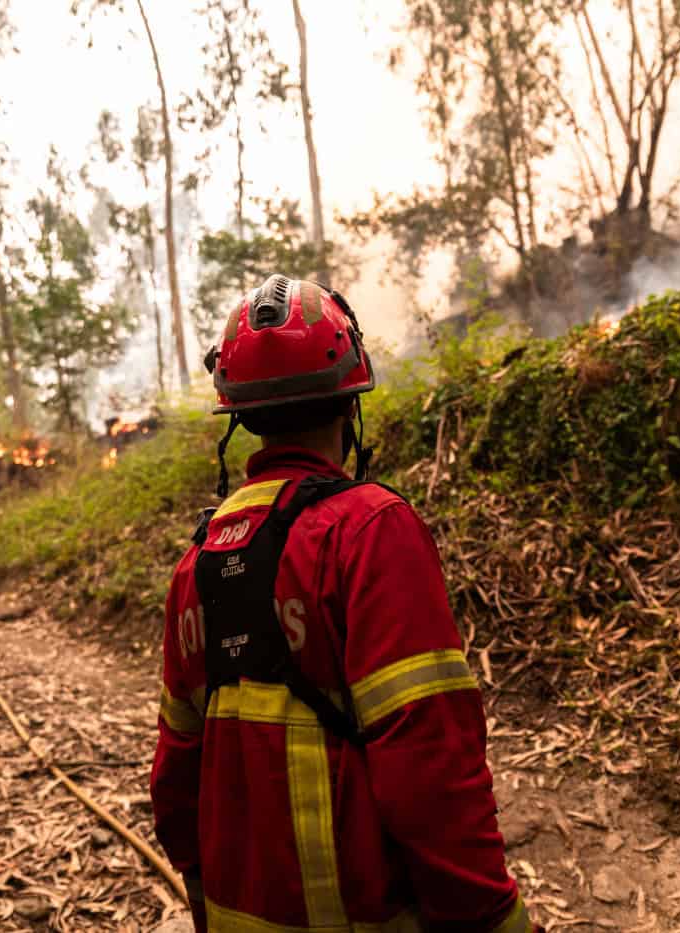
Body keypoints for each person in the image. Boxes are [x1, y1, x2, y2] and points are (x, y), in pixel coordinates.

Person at [151, 275, 536, 932]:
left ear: (239, 416)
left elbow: (175, 782)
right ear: (349, 402)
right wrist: (494, 921)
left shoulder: (197, 564)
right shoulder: (369, 532)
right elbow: (431, 772)